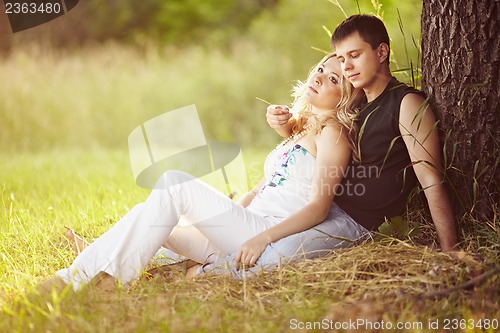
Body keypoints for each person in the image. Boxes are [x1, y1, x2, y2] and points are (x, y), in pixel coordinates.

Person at [42, 52, 370, 292]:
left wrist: (262, 238)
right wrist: (228, 214)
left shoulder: (334, 135)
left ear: (345, 95)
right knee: (152, 216)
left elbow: (318, 206)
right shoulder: (302, 128)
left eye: (333, 79)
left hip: (261, 233)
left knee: (175, 185)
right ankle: (71, 276)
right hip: (242, 228)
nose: (319, 76)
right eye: (322, 68)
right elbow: (264, 187)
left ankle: (107, 283)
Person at [266, 14, 458, 252]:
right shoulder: (354, 103)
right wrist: (285, 124)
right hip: (323, 207)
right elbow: (317, 139)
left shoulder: (406, 103)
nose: (346, 66)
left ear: (381, 52)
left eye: (354, 56)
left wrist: (450, 250)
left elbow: (430, 180)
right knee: (258, 239)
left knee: (279, 253)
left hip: (359, 221)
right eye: (342, 58)